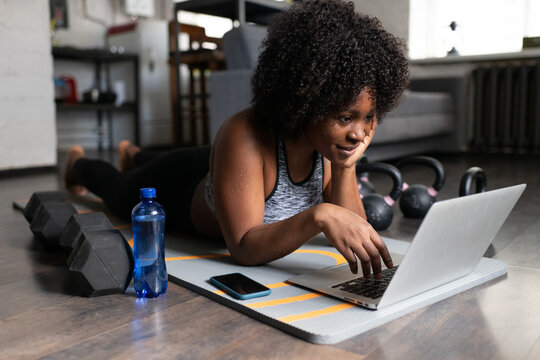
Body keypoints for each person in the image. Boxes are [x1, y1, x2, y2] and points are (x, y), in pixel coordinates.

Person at [64, 0, 409, 279]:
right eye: (346, 117)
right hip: (182, 185)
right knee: (117, 189)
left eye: (368, 117)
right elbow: (244, 246)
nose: (359, 132)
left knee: (162, 157)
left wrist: (346, 166)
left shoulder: (329, 145)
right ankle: (78, 163)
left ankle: (135, 152)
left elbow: (357, 232)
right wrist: (318, 215)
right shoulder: (245, 134)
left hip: (229, 171)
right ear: (308, 102)